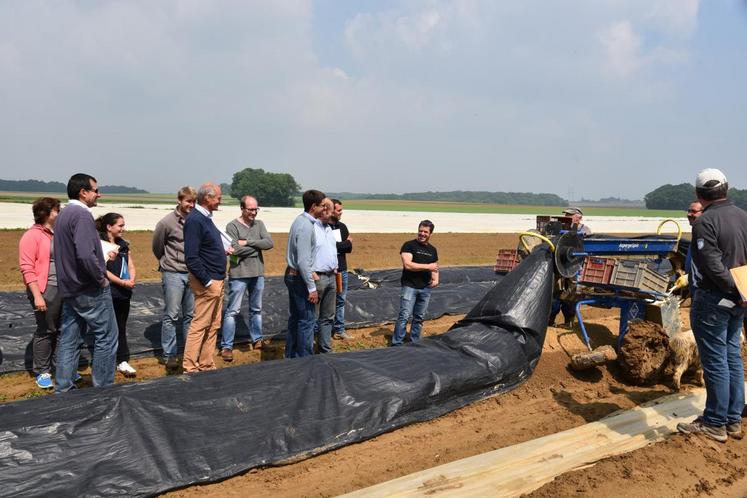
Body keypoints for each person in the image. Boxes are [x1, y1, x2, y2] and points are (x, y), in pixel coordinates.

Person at [677, 168, 747, 442]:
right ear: (726, 189)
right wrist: (742, 292)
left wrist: (732, 288)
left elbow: (713, 266)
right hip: (739, 300)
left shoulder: (705, 222)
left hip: (714, 300)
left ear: (699, 194)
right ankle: (733, 419)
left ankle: (715, 422)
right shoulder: (743, 217)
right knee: (732, 356)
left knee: (716, 360)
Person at [54, 173, 119, 393]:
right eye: (95, 190)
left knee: (69, 338)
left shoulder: (63, 214)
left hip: (70, 288)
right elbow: (84, 254)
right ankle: (103, 389)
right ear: (83, 192)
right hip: (89, 289)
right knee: (107, 337)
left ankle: (63, 388)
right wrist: (100, 278)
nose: (98, 194)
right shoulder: (81, 215)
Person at [182, 182, 232, 373]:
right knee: (200, 324)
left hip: (217, 279)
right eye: (218, 197)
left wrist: (223, 251)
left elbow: (207, 247)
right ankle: (190, 366)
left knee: (213, 324)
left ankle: (205, 362)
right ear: (207, 198)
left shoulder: (206, 218)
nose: (220, 200)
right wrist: (207, 281)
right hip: (208, 281)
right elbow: (191, 257)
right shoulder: (195, 220)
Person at [220, 195, 274, 361]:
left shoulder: (259, 224)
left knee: (256, 309)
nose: (253, 212)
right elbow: (234, 250)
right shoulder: (232, 226)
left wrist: (248, 242)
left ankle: (257, 339)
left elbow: (269, 243)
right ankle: (227, 346)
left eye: (255, 209)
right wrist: (257, 246)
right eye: (250, 209)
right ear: (242, 209)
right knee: (232, 311)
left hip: (257, 273)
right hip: (239, 274)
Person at [18, 197, 62, 389]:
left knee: (63, 330)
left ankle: (61, 367)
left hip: (64, 289)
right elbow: (27, 268)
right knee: (46, 330)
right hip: (45, 289)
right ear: (45, 213)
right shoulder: (32, 236)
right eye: (56, 210)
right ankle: (43, 371)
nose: (59, 214)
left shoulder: (57, 234)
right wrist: (37, 295)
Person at [152, 187, 197, 370]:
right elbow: (157, 246)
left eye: (194, 202)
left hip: (192, 273)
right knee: (171, 314)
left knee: (190, 315)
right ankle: (169, 354)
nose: (191, 205)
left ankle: (188, 352)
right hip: (173, 273)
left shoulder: (195, 220)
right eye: (188, 201)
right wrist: (166, 263)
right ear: (179, 200)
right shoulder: (166, 222)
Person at [285, 189, 325, 358]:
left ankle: (291, 357)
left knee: (296, 318)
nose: (324, 209)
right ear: (313, 206)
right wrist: (312, 288)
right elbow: (302, 261)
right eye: (322, 206)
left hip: (293, 276)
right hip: (300, 279)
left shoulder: (299, 221)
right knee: (307, 321)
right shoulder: (306, 227)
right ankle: (305, 360)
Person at [97, 212, 137, 377]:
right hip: (108, 291)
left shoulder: (123, 245)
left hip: (124, 292)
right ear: (109, 227)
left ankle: (122, 361)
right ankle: (106, 361)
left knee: (121, 326)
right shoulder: (100, 244)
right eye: (120, 225)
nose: (123, 228)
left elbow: (131, 264)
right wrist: (122, 282)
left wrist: (131, 279)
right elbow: (102, 269)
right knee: (106, 328)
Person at [391, 220, 439, 346]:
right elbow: (408, 265)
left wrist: (436, 279)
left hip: (425, 288)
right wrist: (428, 267)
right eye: (420, 231)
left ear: (430, 234)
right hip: (410, 286)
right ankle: (397, 343)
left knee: (419, 317)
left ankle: (415, 342)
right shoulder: (409, 245)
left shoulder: (432, 250)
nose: (422, 234)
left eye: (425, 232)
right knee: (404, 316)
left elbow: (435, 266)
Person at [312, 197, 339, 354]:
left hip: (331, 277)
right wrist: (313, 273)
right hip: (318, 278)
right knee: (311, 316)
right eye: (329, 210)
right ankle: (307, 349)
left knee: (328, 316)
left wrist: (334, 267)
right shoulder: (312, 228)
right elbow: (305, 254)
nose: (332, 213)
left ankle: (324, 349)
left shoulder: (329, 229)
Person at [330, 199, 352, 341]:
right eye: (338, 210)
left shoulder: (342, 227)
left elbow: (349, 248)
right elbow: (328, 247)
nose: (341, 213)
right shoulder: (323, 226)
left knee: (340, 300)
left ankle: (339, 329)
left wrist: (342, 244)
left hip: (342, 270)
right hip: (327, 271)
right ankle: (319, 330)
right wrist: (345, 243)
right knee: (324, 302)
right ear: (331, 210)